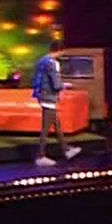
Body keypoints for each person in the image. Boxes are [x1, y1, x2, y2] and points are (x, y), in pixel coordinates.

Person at [30, 40, 80, 168]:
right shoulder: (52, 63)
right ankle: (40, 156)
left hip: (43, 95)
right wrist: (66, 85)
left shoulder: (42, 60)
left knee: (57, 125)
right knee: (46, 128)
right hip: (48, 98)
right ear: (60, 50)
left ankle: (66, 150)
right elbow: (56, 85)